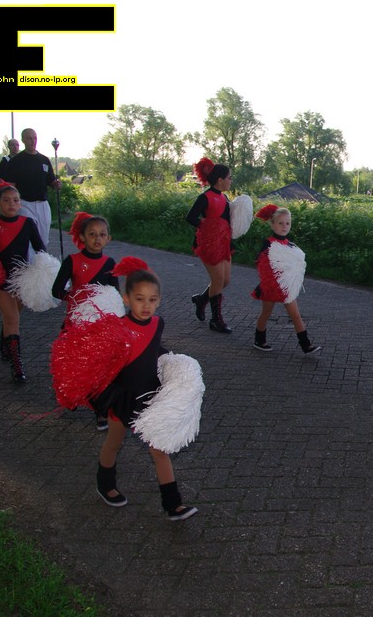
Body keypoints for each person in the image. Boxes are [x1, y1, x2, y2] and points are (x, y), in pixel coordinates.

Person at [92, 259, 198, 521]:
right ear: (126, 299)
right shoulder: (117, 327)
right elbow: (105, 361)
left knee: (159, 450)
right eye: (139, 299)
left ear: (159, 301)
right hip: (122, 397)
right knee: (114, 443)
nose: (146, 305)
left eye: (152, 300)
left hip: (150, 397)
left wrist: (173, 364)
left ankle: (173, 504)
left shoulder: (158, 323)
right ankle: (105, 484)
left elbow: (153, 349)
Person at [0, 183, 46, 382]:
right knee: (12, 319)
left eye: (15, 200)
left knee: (11, 317)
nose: (11, 204)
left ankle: (4, 342)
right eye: (6, 200)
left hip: (21, 279)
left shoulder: (28, 223)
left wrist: (44, 274)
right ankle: (17, 365)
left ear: (20, 204)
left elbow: (41, 249)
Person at [52, 213, 119, 430]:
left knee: (100, 367)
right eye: (92, 234)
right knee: (73, 363)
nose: (97, 239)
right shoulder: (72, 261)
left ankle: (101, 410)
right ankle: (72, 394)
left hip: (100, 325)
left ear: (108, 238)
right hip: (76, 323)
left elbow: (115, 294)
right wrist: (73, 298)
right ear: (82, 237)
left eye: (102, 235)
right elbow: (56, 290)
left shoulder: (110, 263)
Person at [251, 205, 321, 354]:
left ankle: (306, 345)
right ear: (272, 224)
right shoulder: (268, 243)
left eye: (288, 223)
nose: (284, 226)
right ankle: (259, 340)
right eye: (280, 223)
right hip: (270, 286)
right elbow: (260, 263)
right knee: (266, 313)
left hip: (286, 287)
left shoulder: (290, 245)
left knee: (295, 314)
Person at [185, 158, 233, 333]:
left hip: (223, 243)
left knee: (225, 280)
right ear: (220, 180)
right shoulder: (205, 197)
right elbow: (191, 217)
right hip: (209, 244)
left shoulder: (224, 197)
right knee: (218, 280)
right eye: (229, 178)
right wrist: (206, 228)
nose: (230, 181)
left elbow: (226, 221)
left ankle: (201, 300)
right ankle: (216, 320)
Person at [3, 128, 60, 247]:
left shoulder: (44, 160)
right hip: (25, 204)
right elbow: (11, 185)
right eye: (29, 138)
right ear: (23, 140)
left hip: (43, 204)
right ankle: (28, 259)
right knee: (28, 240)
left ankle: (42, 259)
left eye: (34, 138)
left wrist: (56, 184)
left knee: (43, 239)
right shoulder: (16, 161)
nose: (33, 141)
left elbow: (50, 181)